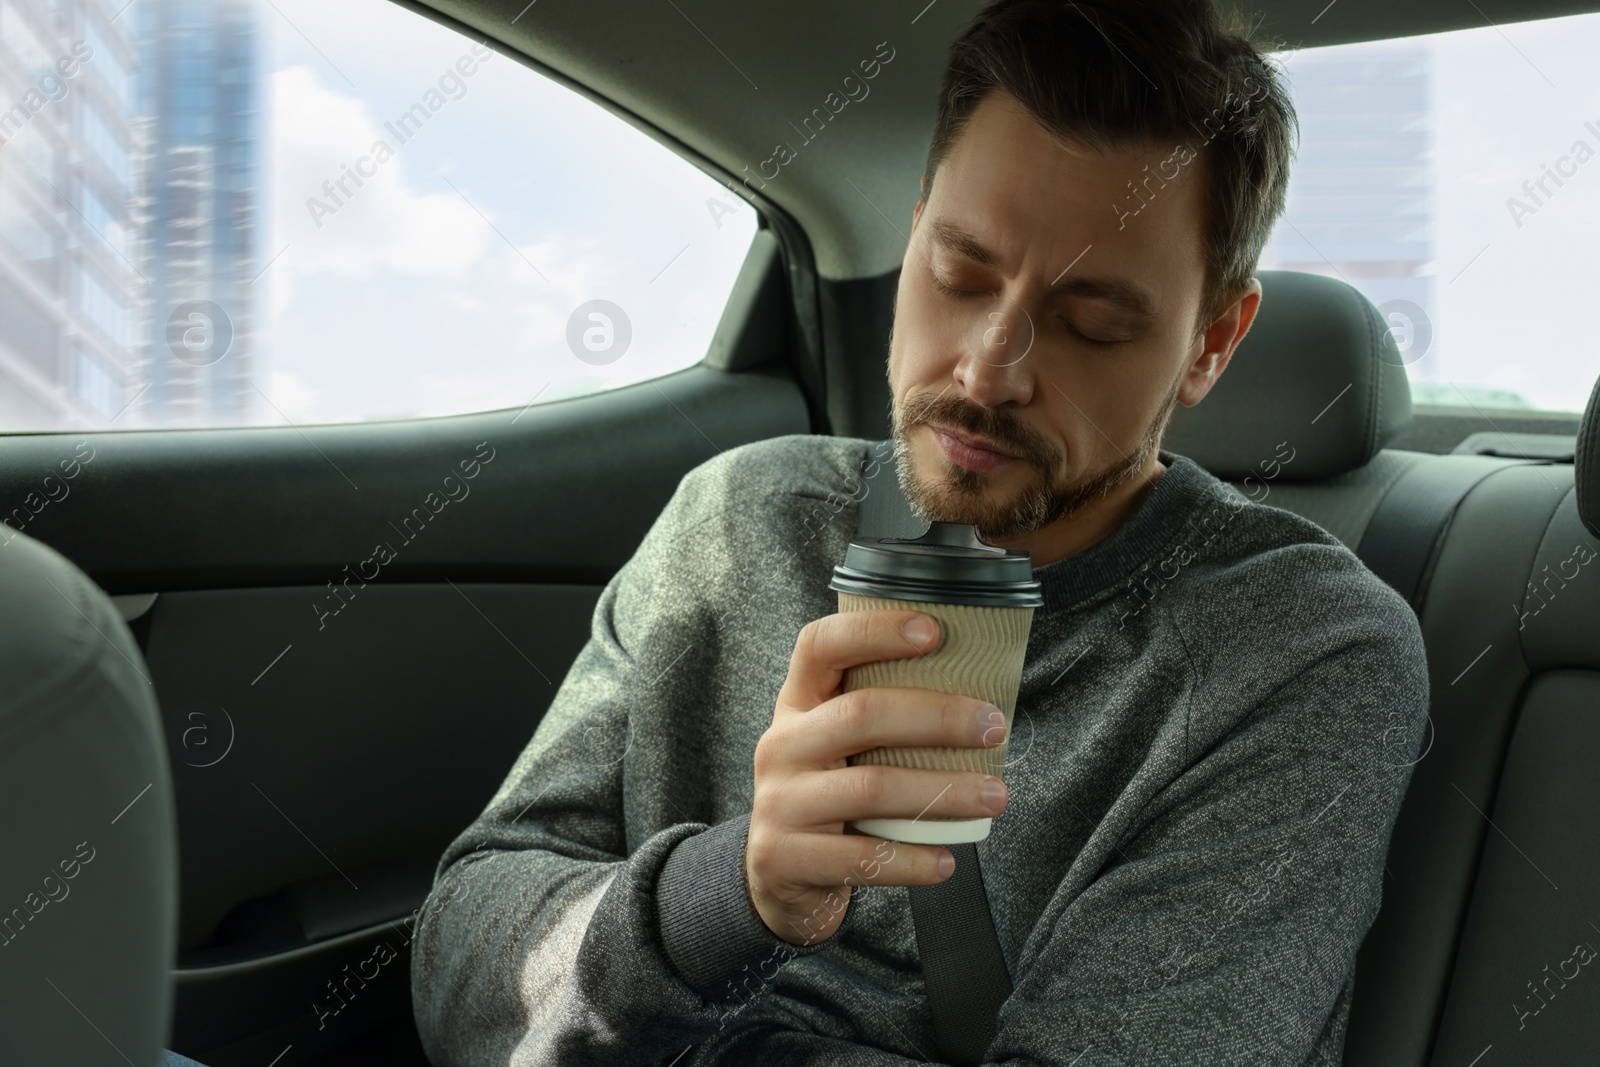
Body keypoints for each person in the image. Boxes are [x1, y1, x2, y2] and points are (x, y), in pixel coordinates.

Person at [409, 1, 1430, 1063]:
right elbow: (458, 961)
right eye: (960, 273)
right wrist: (728, 891)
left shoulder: (1299, 651)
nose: (989, 368)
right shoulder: (736, 516)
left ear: (1210, 342)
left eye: (1091, 322)